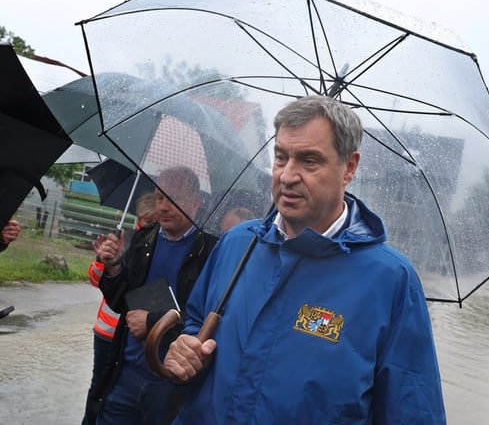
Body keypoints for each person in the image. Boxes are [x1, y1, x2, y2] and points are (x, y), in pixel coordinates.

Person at [164, 96, 447, 424]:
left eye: (309, 160)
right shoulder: (237, 243)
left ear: (349, 167)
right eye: (281, 157)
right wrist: (184, 352)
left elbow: (412, 409)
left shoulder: (390, 280)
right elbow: (196, 325)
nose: (287, 175)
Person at [92, 166, 217, 425]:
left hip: (168, 385)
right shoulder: (142, 240)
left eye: (175, 198)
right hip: (124, 373)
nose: (164, 206)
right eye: (160, 197)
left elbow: (209, 321)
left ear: (195, 202)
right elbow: (119, 302)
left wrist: (152, 322)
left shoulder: (210, 252)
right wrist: (114, 266)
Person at [81, 191, 158, 425]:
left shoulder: (153, 245)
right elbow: (95, 280)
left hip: (130, 333)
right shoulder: (122, 243)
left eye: (154, 222)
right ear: (138, 219)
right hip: (107, 330)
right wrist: (103, 261)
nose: (150, 226)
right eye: (146, 221)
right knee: (99, 385)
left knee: (114, 387)